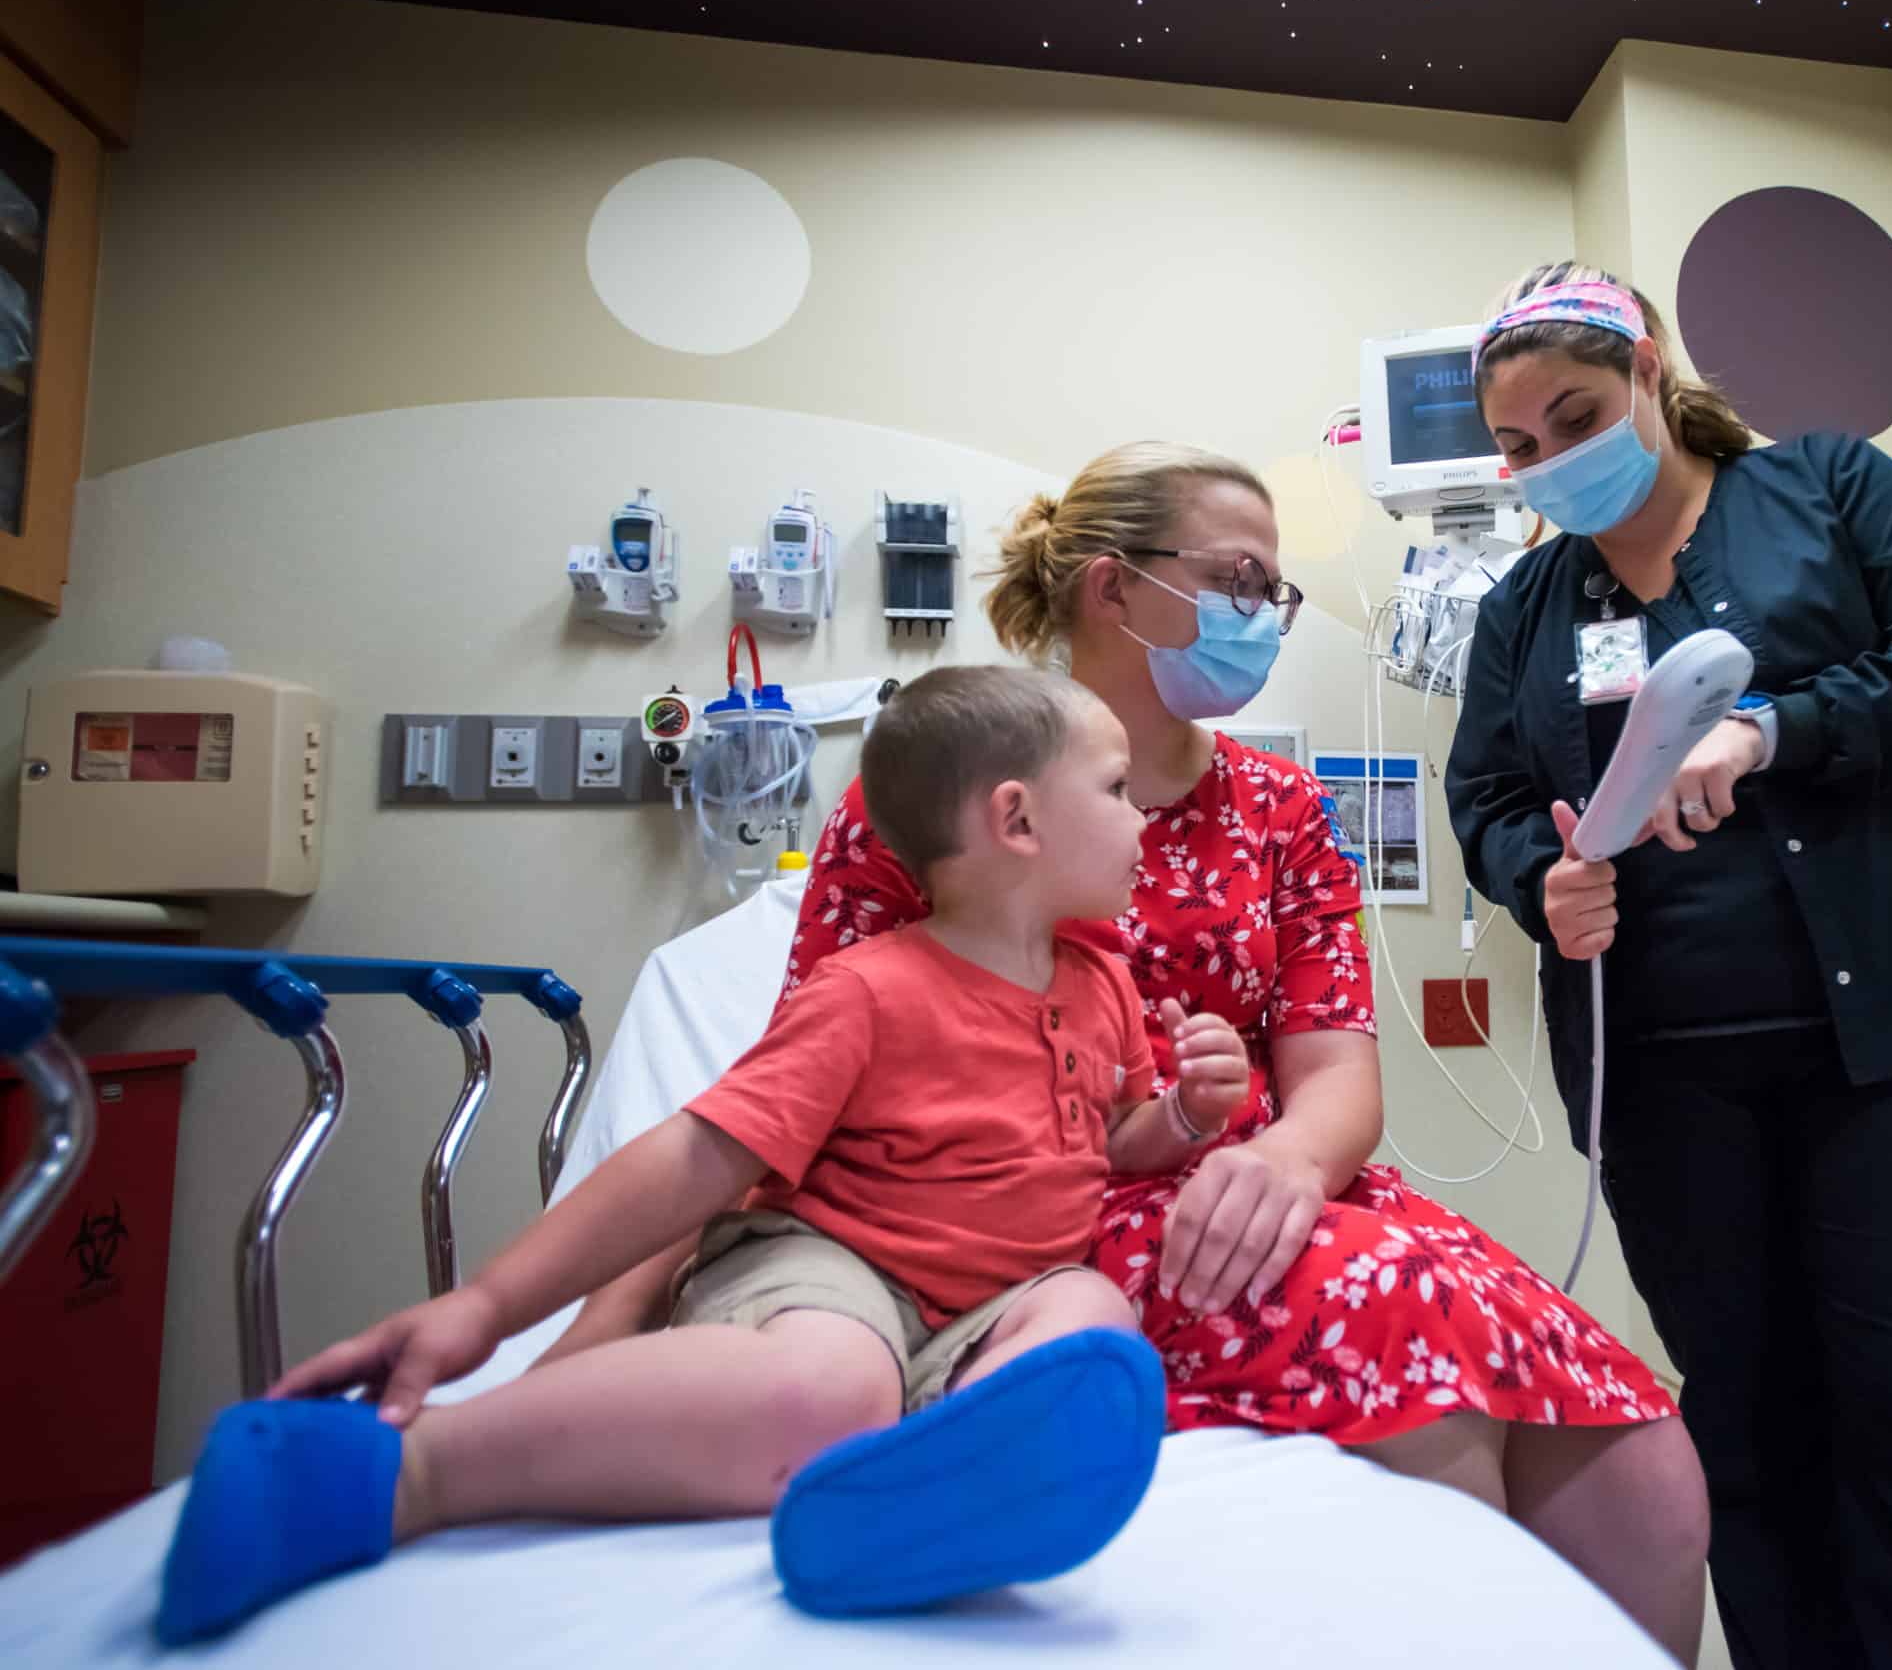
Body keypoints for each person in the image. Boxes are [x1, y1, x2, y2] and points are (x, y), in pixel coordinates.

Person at [554, 441, 1712, 1660]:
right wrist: (606, 1317)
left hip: (1274, 1185)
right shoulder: (948, 792)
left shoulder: (1283, 811)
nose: (1266, 614)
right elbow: (786, 1096)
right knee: (1412, 1362)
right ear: (1113, 588)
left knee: (1645, 1462)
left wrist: (1288, 1165)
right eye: (1239, 579)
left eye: (1276, 590)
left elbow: (1335, 1075)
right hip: (1053, 1215)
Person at [157, 666, 1255, 1644]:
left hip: (1002, 1295)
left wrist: (1188, 1117)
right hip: (836, 1265)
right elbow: (695, 1154)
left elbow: (1103, 1143)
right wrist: (486, 1307)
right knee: (832, 1384)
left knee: (1093, 1329)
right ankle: (406, 1468)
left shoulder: (1101, 984)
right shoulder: (868, 989)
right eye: (1114, 788)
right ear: (1015, 818)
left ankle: (921, 1496)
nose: (1144, 813)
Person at [1445, 263, 1892, 1667]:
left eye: (1576, 414)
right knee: (1746, 1416)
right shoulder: (1527, 613)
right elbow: (1485, 796)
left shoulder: (1833, 493)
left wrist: (1775, 728)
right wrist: (1539, 885)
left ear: (1652, 370)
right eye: (1522, 444)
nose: (1550, 459)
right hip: (1672, 1083)